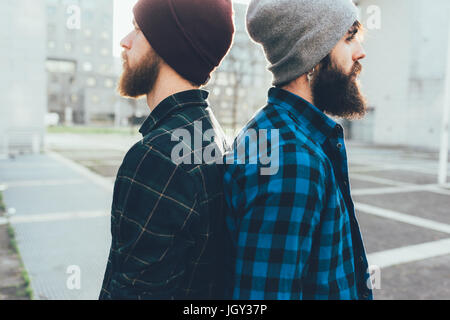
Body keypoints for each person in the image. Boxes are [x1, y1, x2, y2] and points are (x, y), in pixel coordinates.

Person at [223, 0, 373, 300]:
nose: (360, 52)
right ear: (312, 57)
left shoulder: (279, 132)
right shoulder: (292, 159)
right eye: (348, 37)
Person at [100, 0, 234, 300]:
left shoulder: (157, 156)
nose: (125, 42)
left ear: (167, 46)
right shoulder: (212, 135)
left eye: (137, 29)